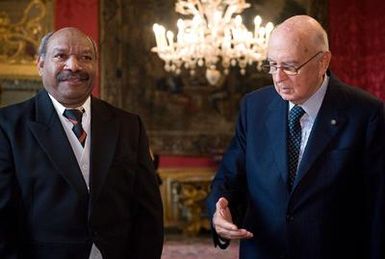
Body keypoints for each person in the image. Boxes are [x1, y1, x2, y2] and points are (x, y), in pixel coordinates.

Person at [206, 15, 385, 259]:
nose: (278, 77)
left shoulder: (366, 114)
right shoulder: (254, 107)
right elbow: (229, 176)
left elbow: (379, 208)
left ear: (323, 62)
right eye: (271, 65)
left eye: (290, 66)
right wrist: (220, 212)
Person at [0, 27, 164, 259]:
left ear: (96, 65)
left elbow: (148, 214)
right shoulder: (7, 126)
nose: (73, 66)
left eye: (85, 57)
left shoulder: (128, 125)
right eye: (61, 56)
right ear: (40, 64)